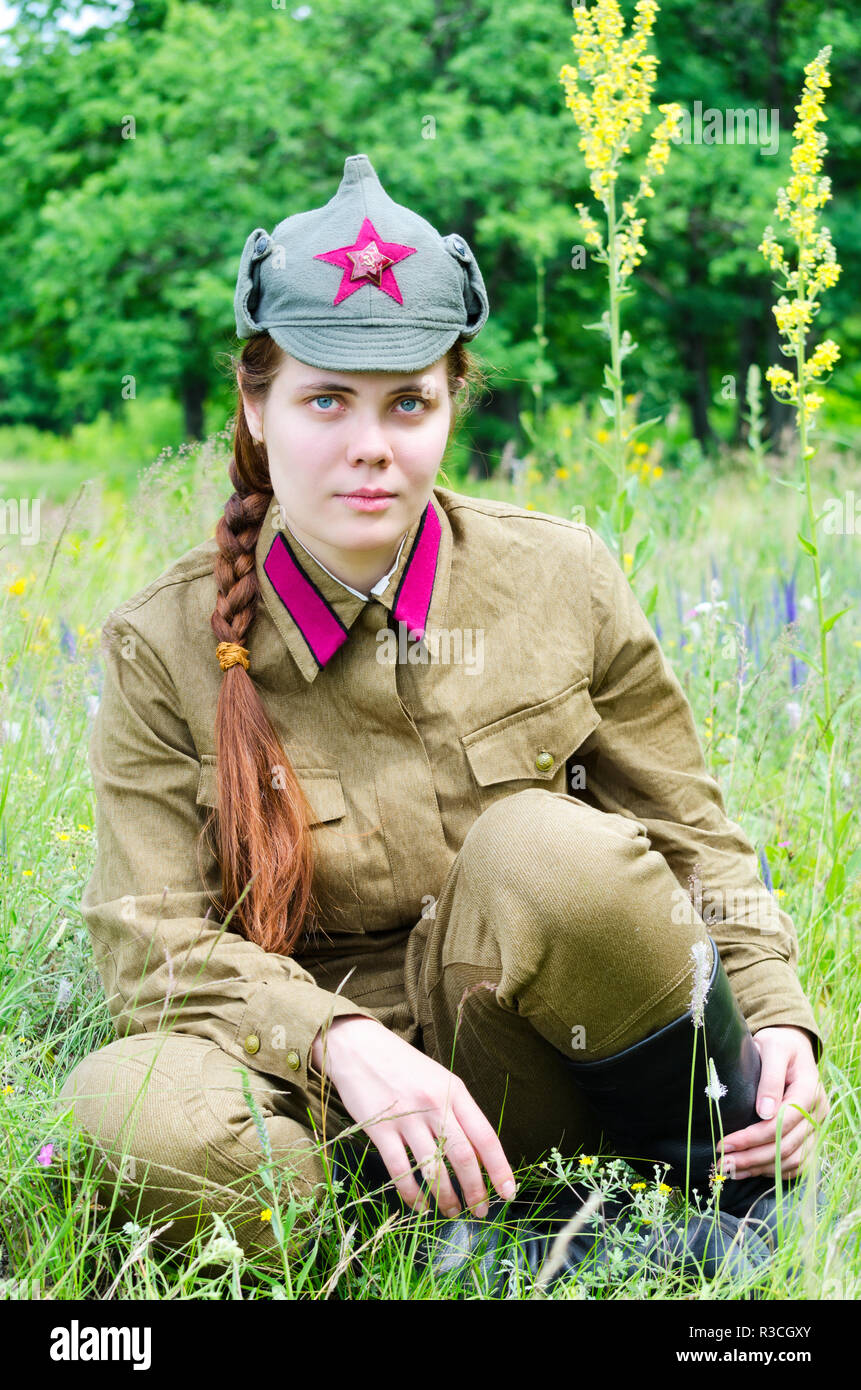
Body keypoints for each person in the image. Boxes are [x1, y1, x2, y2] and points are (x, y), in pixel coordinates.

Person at [58, 153, 828, 1290]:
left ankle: (697, 1197)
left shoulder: (561, 577)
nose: (372, 445)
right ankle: (417, 1244)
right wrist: (335, 1039)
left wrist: (775, 1023)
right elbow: (149, 939)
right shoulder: (162, 642)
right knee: (123, 1111)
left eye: (409, 402)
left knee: (545, 849)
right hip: (327, 1104)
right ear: (256, 408)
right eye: (326, 399)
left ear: (450, 406)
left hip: (534, 1055)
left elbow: (695, 834)